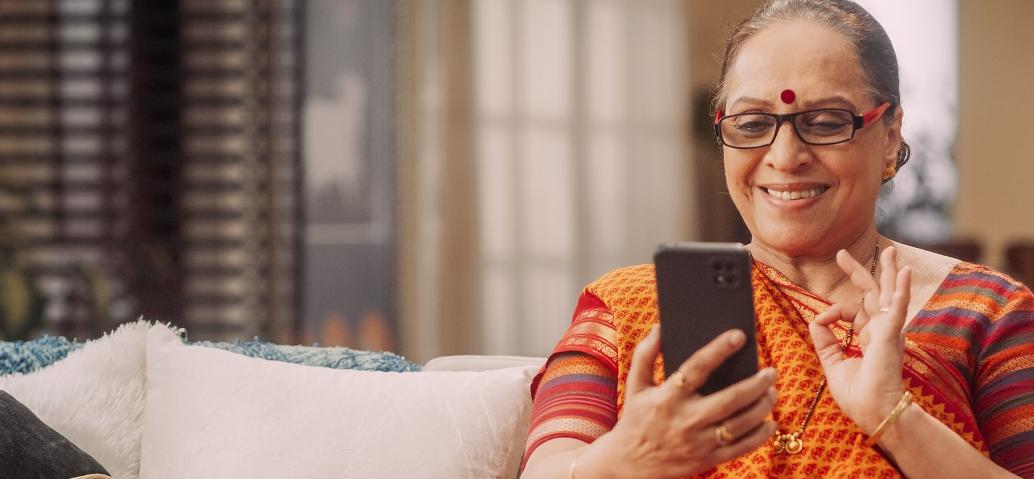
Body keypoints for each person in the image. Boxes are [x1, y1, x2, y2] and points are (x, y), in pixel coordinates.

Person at [518, 0, 1034, 477]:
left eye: (826, 121)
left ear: (891, 136)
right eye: (752, 122)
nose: (785, 157)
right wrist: (620, 462)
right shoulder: (629, 306)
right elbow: (545, 468)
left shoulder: (986, 311)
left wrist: (894, 417)